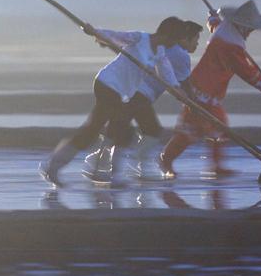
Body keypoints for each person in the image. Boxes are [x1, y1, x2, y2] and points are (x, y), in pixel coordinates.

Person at [39, 17, 196, 188]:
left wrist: (185, 98)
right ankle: (101, 173)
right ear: (168, 37)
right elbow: (114, 36)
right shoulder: (139, 38)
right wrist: (94, 32)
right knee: (111, 129)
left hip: (120, 92)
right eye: (174, 41)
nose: (174, 46)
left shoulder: (160, 53)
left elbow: (170, 80)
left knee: (105, 129)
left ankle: (68, 167)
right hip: (107, 84)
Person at [159, 0, 261, 178]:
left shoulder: (225, 33)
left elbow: (216, 29)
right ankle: (170, 160)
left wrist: (213, 20)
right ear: (240, 26)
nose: (250, 32)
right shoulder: (231, 46)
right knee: (211, 126)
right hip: (205, 89)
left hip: (204, 87)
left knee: (200, 128)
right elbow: (244, 69)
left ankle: (209, 164)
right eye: (249, 28)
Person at [83, 22, 202, 181]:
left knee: (120, 127)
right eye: (195, 39)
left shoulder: (163, 49)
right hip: (141, 94)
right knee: (150, 130)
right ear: (184, 39)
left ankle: (101, 162)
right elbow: (183, 83)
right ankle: (132, 165)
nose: (197, 43)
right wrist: (192, 102)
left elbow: (172, 80)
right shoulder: (180, 55)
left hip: (134, 92)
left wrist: (98, 35)